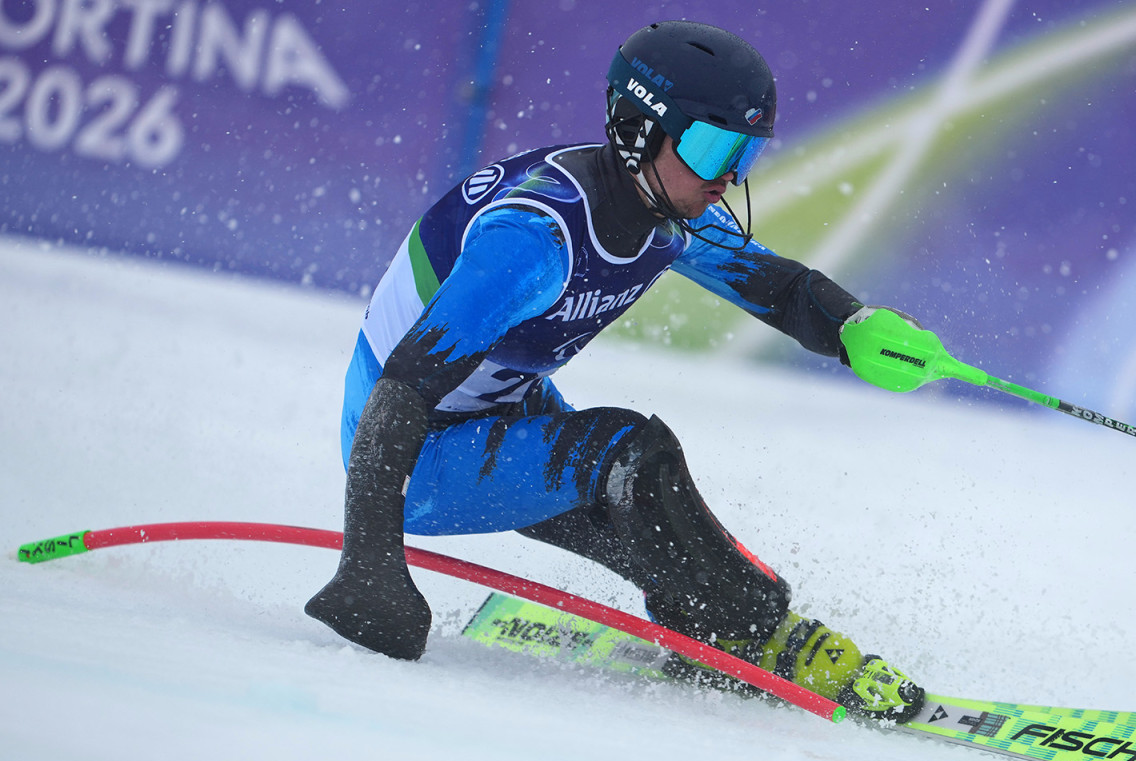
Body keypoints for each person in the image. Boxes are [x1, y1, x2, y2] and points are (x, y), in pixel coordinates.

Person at [305, 20, 938, 723]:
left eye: (745, 153)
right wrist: (368, 569)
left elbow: (779, 288)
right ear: (639, 131)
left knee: (641, 506)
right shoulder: (535, 239)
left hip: (494, 412)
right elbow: (399, 392)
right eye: (712, 148)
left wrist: (853, 327)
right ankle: (760, 634)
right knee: (629, 456)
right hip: (408, 461)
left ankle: (709, 623)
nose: (727, 177)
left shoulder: (665, 208)